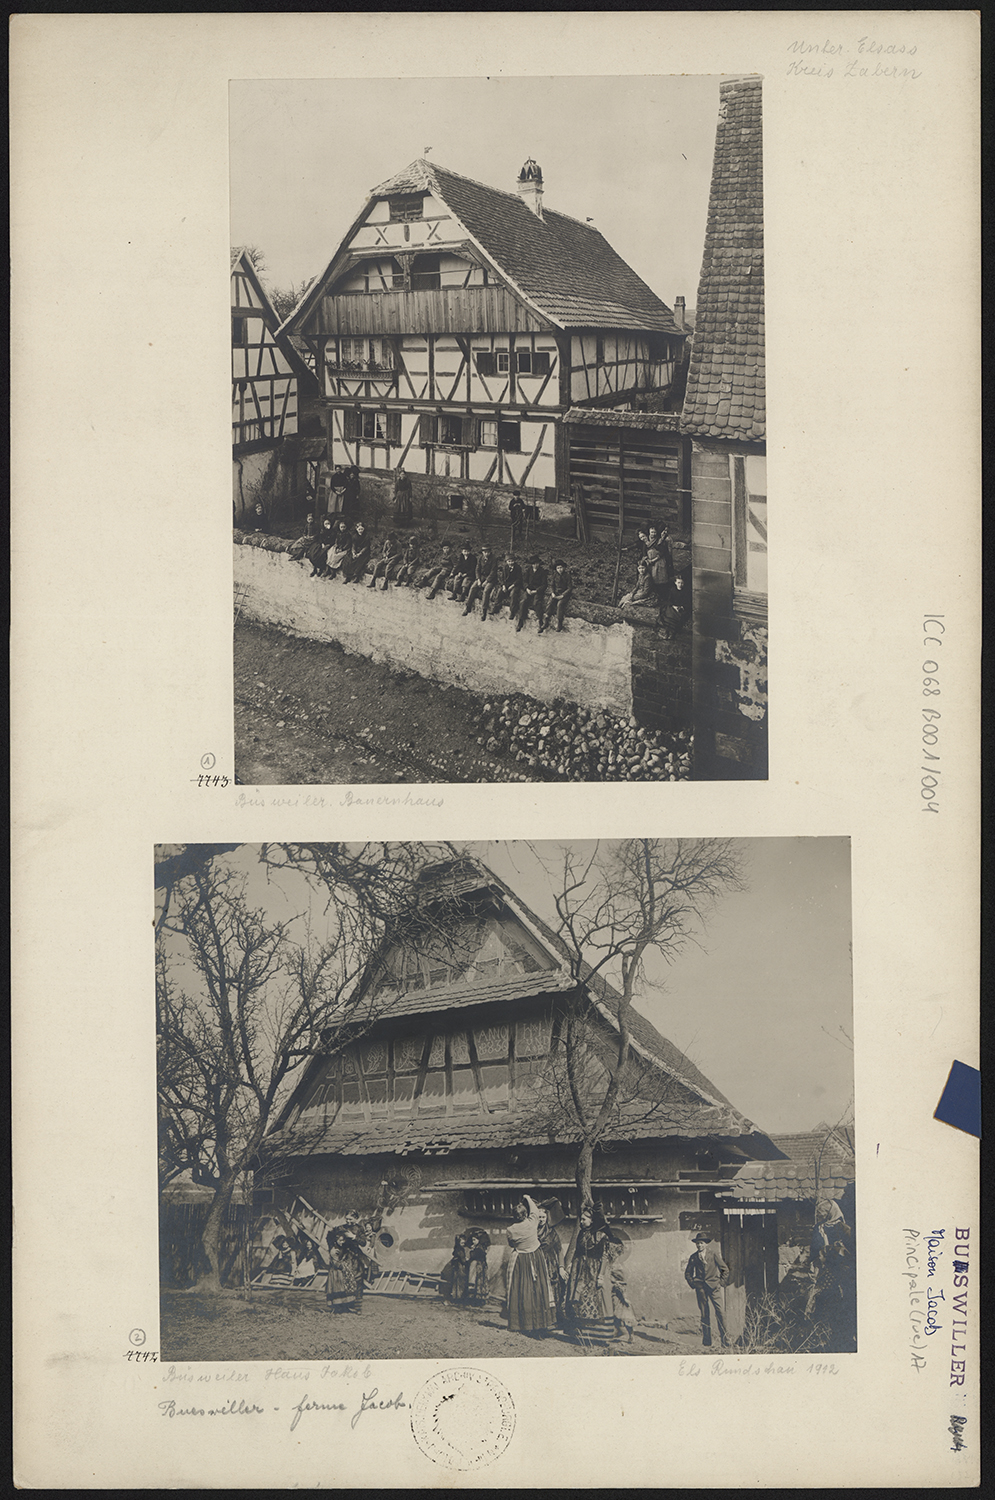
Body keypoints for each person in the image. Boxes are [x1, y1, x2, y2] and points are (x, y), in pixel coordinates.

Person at [563, 1205, 621, 1344]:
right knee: (580, 1299)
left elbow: (605, 1257)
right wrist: (571, 1265)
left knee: (597, 1299)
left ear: (591, 1220)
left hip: (595, 1270)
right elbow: (578, 1250)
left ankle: (600, 1335)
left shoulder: (601, 1236)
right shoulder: (582, 1233)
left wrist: (600, 1276)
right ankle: (583, 1334)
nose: (581, 1222)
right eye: (581, 1219)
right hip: (580, 1270)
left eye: (584, 1219)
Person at [505, 1195, 559, 1337]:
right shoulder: (532, 1222)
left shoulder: (510, 1229)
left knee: (522, 1288)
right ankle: (540, 1323)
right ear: (525, 1215)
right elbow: (534, 1209)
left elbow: (511, 1244)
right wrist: (527, 1197)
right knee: (539, 1288)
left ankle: (524, 1323)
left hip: (520, 1259)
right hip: (536, 1257)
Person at [684, 1232, 731, 1349]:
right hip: (701, 1289)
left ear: (706, 1244)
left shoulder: (713, 1254)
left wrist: (720, 1283)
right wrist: (694, 1284)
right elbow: (688, 1273)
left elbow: (725, 1269)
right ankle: (707, 1342)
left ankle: (725, 1341)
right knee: (705, 1314)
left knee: (720, 1313)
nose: (699, 1246)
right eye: (698, 1243)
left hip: (714, 1288)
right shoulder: (694, 1257)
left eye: (701, 1243)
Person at [536, 1200, 567, 1324]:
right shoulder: (532, 1231)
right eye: (539, 1217)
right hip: (536, 1262)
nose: (541, 1219)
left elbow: (559, 1250)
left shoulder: (552, 1233)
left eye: (543, 1217)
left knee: (553, 1290)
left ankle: (553, 1318)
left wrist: (561, 1267)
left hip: (550, 1264)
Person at [325, 1224, 367, 1314]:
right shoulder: (342, 1229)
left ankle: (357, 1308)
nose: (348, 1221)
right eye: (347, 1219)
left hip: (354, 1259)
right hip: (342, 1263)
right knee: (341, 1286)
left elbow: (363, 1242)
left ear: (355, 1218)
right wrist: (331, 1247)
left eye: (351, 1219)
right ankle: (342, 1307)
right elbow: (330, 1236)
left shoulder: (359, 1228)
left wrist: (354, 1237)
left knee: (357, 1283)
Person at [482, 553, 523, 621]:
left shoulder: (518, 568)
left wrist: (512, 586)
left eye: (512, 561)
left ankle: (512, 611)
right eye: (509, 561)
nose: (510, 563)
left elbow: (519, 579)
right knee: (500, 591)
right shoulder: (505, 567)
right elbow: (502, 578)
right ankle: (496, 607)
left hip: (515, 584)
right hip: (506, 584)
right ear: (506, 561)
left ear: (514, 561)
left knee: (513, 594)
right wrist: (503, 586)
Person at [462, 545, 498, 617]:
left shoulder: (494, 559)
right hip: (481, 577)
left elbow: (493, 572)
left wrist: (487, 581)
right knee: (473, 588)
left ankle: (484, 611)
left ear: (490, 552)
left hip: (491, 579)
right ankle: (468, 607)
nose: (486, 554)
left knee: (486, 590)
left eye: (488, 552)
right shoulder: (480, 558)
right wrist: (478, 579)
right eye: (485, 552)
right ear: (482, 552)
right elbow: (477, 569)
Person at [540, 560, 574, 633]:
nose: (560, 569)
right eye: (558, 568)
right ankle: (546, 620)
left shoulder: (567, 576)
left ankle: (559, 622)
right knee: (550, 602)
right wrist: (552, 593)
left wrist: (563, 595)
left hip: (564, 595)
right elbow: (551, 585)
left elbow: (569, 588)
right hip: (556, 593)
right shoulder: (554, 575)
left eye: (561, 568)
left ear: (564, 568)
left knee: (560, 604)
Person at [516, 555, 548, 632]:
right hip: (529, 590)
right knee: (523, 601)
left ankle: (541, 622)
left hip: (537, 591)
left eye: (536, 563)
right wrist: (527, 588)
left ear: (539, 564)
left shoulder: (542, 572)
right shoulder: (529, 570)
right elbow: (524, 581)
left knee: (536, 602)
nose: (535, 565)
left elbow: (544, 584)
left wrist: (537, 591)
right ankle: (520, 621)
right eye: (533, 564)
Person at [658, 572, 690, 637]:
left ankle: (671, 633)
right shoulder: (673, 590)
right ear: (675, 583)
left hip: (681, 609)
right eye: (678, 583)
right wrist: (673, 606)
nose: (680, 585)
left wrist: (681, 607)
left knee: (675, 618)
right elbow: (669, 600)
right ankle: (666, 632)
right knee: (667, 615)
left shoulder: (686, 591)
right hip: (673, 607)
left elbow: (688, 603)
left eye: (682, 583)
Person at [611, 1267, 637, 1343]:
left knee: (624, 1320)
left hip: (621, 1305)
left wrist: (625, 1299)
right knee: (618, 1319)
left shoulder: (617, 1285)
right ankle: (619, 1332)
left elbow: (622, 1294)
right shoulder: (621, 1284)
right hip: (620, 1304)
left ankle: (630, 1336)